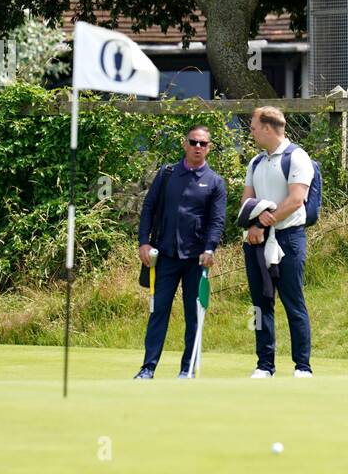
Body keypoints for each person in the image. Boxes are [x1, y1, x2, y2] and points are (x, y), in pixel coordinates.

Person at [135, 126, 227, 379]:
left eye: (203, 143)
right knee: (158, 312)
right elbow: (148, 209)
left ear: (209, 147)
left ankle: (187, 369)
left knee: (193, 316)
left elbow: (217, 221)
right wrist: (143, 242)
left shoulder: (215, 182)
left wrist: (210, 249)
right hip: (164, 256)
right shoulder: (167, 174)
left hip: (196, 260)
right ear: (185, 144)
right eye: (193, 142)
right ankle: (147, 368)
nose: (198, 147)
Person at [242, 106, 315, 378]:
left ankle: (302, 366)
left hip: (288, 238)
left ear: (268, 128)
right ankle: (264, 365)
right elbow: (247, 200)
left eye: (253, 127)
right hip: (257, 240)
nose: (251, 131)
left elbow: (296, 200)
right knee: (261, 304)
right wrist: (253, 225)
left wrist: (262, 223)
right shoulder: (255, 162)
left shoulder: (297, 157)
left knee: (293, 301)